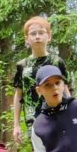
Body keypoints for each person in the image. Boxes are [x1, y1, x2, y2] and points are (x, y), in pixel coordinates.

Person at [12, 16, 70, 144]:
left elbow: (65, 91)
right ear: (27, 39)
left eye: (41, 33)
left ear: (48, 36)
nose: (37, 36)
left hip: (59, 116)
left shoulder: (57, 61)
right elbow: (18, 95)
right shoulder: (22, 65)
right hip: (34, 120)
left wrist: (71, 114)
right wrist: (16, 125)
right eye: (33, 33)